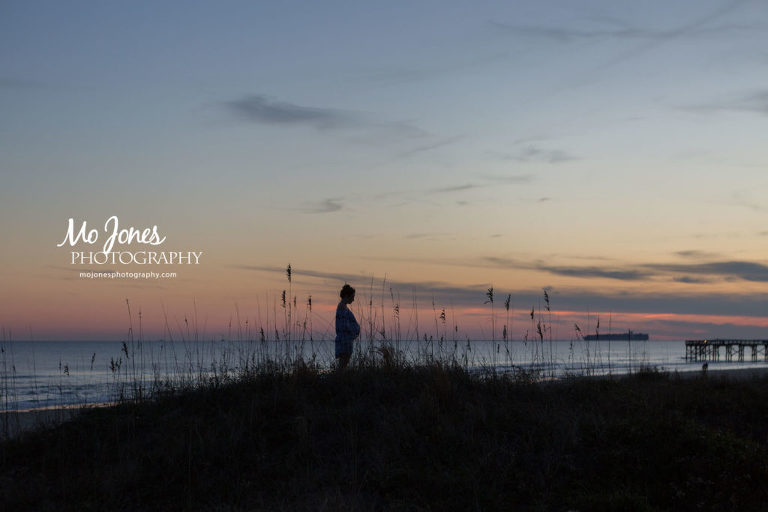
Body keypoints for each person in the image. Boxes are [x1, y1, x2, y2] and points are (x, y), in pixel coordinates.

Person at [335, 284, 360, 369]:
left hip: (346, 340)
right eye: (352, 296)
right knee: (342, 365)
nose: (353, 299)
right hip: (344, 341)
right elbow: (344, 325)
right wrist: (354, 331)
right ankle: (339, 381)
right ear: (346, 296)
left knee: (343, 365)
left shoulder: (343, 307)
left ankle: (340, 380)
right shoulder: (342, 307)